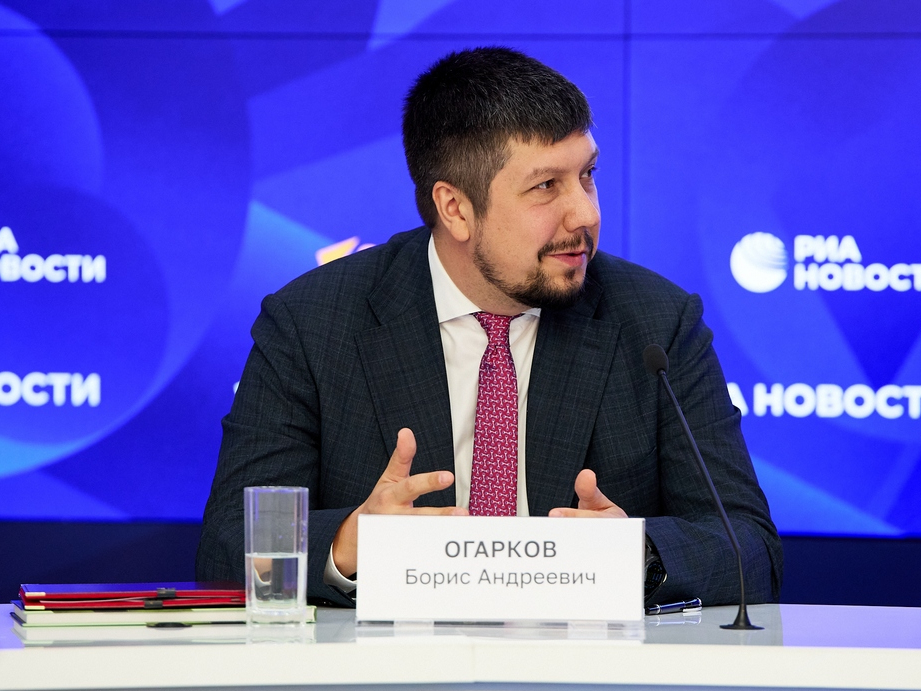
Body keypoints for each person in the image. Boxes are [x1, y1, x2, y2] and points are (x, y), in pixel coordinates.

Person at [197, 47, 782, 608]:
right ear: (455, 208)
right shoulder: (313, 323)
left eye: (587, 175)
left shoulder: (656, 322)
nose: (586, 213)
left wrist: (637, 556)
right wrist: (350, 544)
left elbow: (749, 546)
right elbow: (226, 547)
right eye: (546, 187)